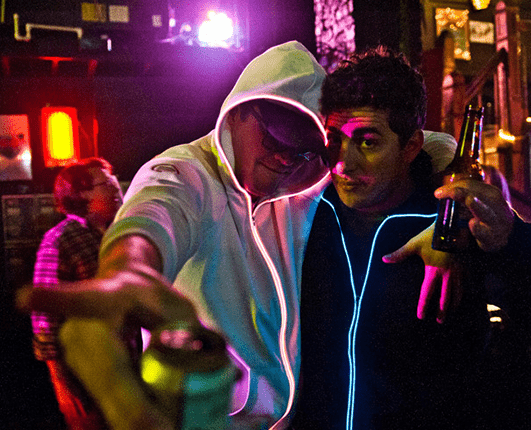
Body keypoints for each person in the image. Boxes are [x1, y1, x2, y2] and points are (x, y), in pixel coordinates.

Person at [18, 41, 460, 430]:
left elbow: (430, 147)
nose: (285, 158)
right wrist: (128, 269)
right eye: (274, 137)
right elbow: (154, 214)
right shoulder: (187, 174)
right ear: (239, 110)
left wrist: (452, 216)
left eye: (302, 148)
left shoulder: (306, 180)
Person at [291, 46, 531, 430]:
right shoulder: (304, 214)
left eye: (368, 141)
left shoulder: (455, 224)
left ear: (411, 147)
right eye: (334, 139)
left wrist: (510, 239)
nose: (343, 163)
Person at [31, 157, 125, 430]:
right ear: (81, 194)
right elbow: (45, 317)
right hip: (86, 373)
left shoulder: (119, 233)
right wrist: (61, 383)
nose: (116, 188)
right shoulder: (59, 240)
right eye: (105, 184)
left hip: (125, 366)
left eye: (114, 181)